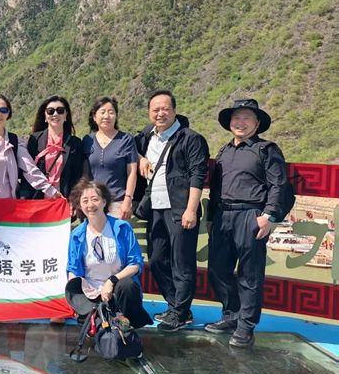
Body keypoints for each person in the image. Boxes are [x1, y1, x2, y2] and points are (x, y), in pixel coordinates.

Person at [205, 99, 288, 348]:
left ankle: (246, 326)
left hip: (251, 215)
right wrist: (211, 217)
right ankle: (231, 315)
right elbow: (216, 187)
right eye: (236, 118)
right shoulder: (224, 151)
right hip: (222, 215)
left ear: (257, 123)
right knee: (217, 269)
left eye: (246, 118)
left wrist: (268, 216)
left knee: (249, 274)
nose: (240, 123)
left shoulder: (266, 149)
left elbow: (278, 184)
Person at [135, 90, 209, 332]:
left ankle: (180, 312)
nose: (160, 113)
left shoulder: (191, 139)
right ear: (149, 112)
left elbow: (198, 174)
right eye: (155, 109)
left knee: (181, 262)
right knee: (157, 259)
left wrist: (191, 209)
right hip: (155, 208)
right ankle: (175, 305)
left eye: (165, 109)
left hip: (180, 208)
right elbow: (126, 146)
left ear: (174, 110)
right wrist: (140, 157)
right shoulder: (146, 137)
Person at [66, 178, 152, 328]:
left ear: (104, 202)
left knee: (128, 285)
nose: (90, 205)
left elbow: (135, 264)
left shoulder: (122, 228)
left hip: (117, 289)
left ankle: (126, 322)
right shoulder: (77, 235)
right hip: (91, 293)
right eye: (85, 201)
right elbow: (73, 270)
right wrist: (76, 294)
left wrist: (111, 282)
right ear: (79, 205)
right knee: (97, 325)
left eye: (95, 199)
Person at [0, 95, 60, 199]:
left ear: (8, 114)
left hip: (9, 204)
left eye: (4, 110)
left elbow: (30, 170)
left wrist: (50, 190)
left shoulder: (15, 141)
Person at [81, 97, 138, 218]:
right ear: (94, 116)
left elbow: (132, 172)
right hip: (92, 203)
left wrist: (128, 199)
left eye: (111, 112)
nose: (106, 116)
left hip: (118, 203)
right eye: (102, 112)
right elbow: (84, 174)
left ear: (116, 116)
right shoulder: (87, 140)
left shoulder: (126, 140)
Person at [25, 95, 89, 199]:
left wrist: (74, 200)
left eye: (60, 111)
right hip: (38, 199)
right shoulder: (35, 140)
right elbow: (28, 170)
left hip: (64, 199)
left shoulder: (75, 143)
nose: (55, 114)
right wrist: (24, 196)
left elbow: (77, 176)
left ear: (65, 115)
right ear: (45, 116)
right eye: (50, 111)